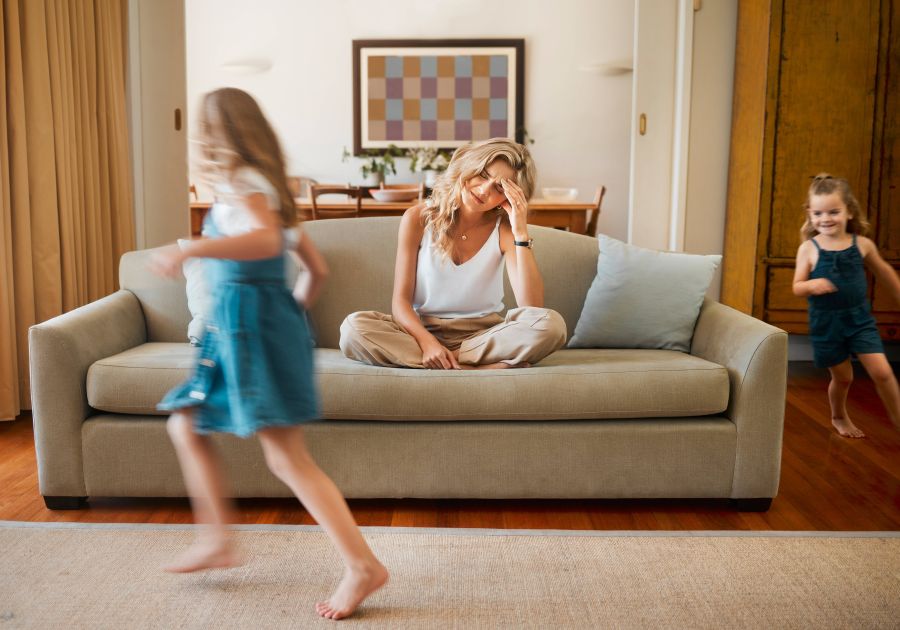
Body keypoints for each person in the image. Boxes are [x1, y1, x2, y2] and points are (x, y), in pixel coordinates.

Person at [149, 87, 387, 620]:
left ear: (216, 136)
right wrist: (287, 323)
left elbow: (260, 243)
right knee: (186, 424)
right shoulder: (270, 190)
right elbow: (316, 271)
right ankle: (216, 539)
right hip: (247, 329)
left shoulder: (242, 185)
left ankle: (362, 565)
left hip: (248, 330)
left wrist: (192, 247)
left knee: (286, 457)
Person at [339, 138, 567, 369]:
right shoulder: (418, 218)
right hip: (422, 333)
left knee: (551, 325)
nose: (483, 190)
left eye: (500, 187)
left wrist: (520, 231)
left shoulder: (505, 230)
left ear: (509, 197)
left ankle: (448, 362)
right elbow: (400, 302)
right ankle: (477, 368)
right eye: (483, 174)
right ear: (468, 166)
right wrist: (428, 343)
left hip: (483, 336)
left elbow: (532, 307)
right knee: (353, 328)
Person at [792, 173, 900, 438]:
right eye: (818, 213)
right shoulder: (809, 248)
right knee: (844, 378)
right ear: (809, 213)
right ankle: (838, 416)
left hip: (859, 321)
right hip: (827, 325)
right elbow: (797, 286)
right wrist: (811, 285)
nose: (825, 218)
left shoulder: (862, 245)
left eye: (833, 211)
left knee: (883, 373)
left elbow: (885, 273)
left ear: (849, 211)